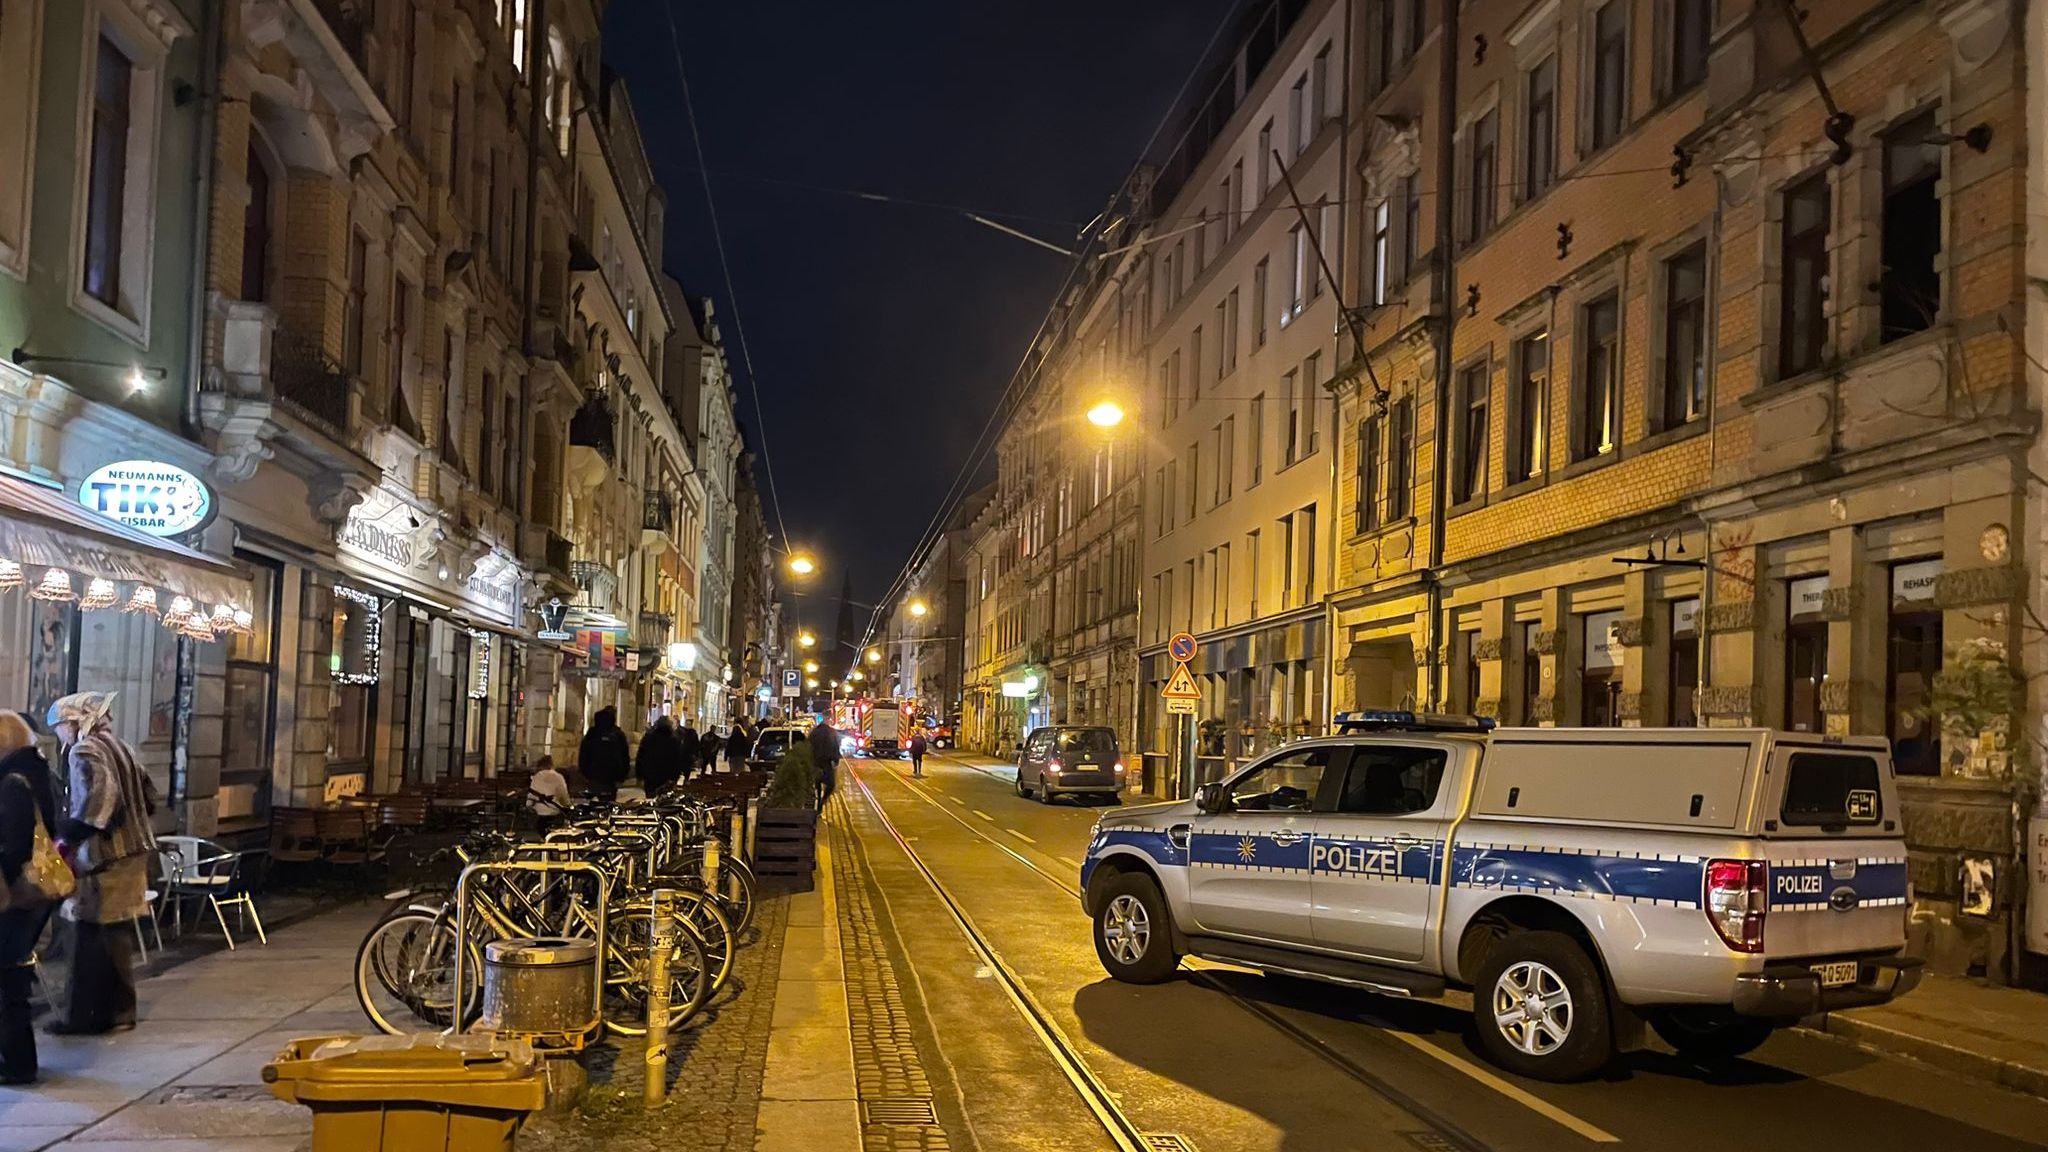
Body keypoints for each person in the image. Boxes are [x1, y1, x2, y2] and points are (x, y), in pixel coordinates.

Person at [46, 692, 157, 1037]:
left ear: (77, 721)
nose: (61, 735)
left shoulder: (87, 750)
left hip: (104, 857)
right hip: (134, 852)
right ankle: (121, 1011)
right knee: (116, 934)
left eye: (61, 726)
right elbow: (150, 797)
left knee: (88, 937)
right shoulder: (122, 746)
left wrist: (66, 835)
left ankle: (86, 1016)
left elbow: (99, 804)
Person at [0, 712, 57, 1081]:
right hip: (32, 894)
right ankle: (19, 1060)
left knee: (7, 982)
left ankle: (18, 1064)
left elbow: (14, 843)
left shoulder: (12, 783)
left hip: (16, 894)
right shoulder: (37, 773)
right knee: (12, 977)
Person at [577, 707, 631, 802]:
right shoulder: (618, 734)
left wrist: (586, 774)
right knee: (609, 803)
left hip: (594, 776)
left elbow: (583, 755)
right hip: (612, 777)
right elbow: (625, 757)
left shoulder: (592, 734)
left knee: (594, 804)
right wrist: (622, 776)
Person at [635, 717, 685, 795]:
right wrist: (675, 776)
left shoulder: (649, 737)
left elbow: (641, 755)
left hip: (651, 775)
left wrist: (639, 774)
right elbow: (678, 759)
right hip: (667, 776)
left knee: (650, 798)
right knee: (664, 800)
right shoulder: (674, 739)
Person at [527, 754, 571, 831]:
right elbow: (563, 796)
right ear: (552, 765)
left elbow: (531, 797)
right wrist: (568, 806)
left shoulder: (537, 776)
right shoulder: (558, 776)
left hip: (539, 812)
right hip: (554, 812)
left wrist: (529, 805)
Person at [807, 721, 842, 806]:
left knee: (817, 783)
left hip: (815, 762)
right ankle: (822, 800)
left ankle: (818, 800)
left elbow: (808, 746)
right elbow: (835, 746)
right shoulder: (831, 733)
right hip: (826, 762)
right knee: (831, 784)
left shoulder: (813, 733)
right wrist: (836, 759)